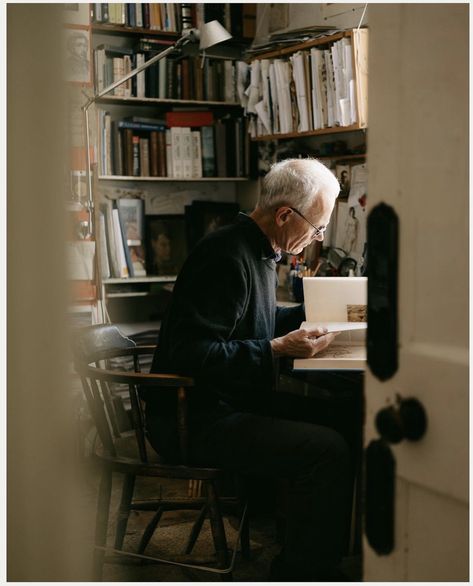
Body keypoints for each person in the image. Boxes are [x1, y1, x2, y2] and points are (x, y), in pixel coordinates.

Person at [146, 158, 353, 580]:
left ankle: (317, 550)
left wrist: (314, 313)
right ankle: (303, 570)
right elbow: (191, 353)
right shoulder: (225, 255)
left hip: (227, 404)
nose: (318, 238)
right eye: (317, 229)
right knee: (326, 450)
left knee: (345, 420)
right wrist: (275, 349)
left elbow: (252, 319)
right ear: (283, 215)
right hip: (195, 418)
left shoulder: (257, 249)